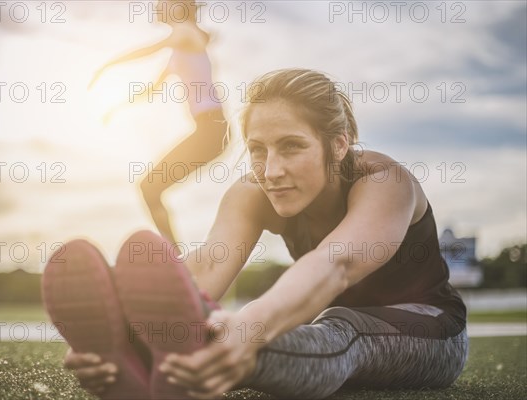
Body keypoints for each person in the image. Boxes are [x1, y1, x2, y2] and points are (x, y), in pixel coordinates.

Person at [49, 68, 468, 399]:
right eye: (257, 149)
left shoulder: (384, 181)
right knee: (224, 321)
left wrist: (246, 331)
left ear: (338, 145)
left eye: (291, 146)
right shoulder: (253, 192)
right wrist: (124, 338)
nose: (271, 171)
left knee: (340, 325)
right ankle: (162, 365)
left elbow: (336, 264)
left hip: (432, 333)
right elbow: (209, 265)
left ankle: (229, 363)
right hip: (326, 328)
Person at [88, 0, 227, 245]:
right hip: (208, 130)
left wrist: (106, 67)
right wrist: (116, 108)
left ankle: (177, 258)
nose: (156, 5)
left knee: (150, 188)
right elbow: (151, 90)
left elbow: (149, 50)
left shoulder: (184, 31)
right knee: (150, 189)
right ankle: (176, 256)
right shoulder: (178, 51)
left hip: (212, 129)